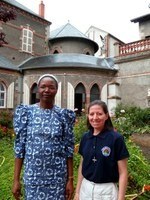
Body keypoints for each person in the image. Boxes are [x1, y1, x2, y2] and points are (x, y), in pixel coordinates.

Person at [12, 74, 75, 200]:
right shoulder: (27, 113)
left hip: (57, 178)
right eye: (43, 87)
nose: (47, 90)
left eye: (51, 87)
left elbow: (69, 150)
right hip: (32, 178)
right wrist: (16, 180)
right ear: (37, 89)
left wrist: (70, 180)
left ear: (56, 90)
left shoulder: (63, 116)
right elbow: (20, 148)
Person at [74, 100, 129, 200]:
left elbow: (123, 172)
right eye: (91, 114)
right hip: (85, 189)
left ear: (106, 116)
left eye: (99, 114)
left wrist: (121, 198)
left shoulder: (116, 139)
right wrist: (77, 192)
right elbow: (82, 165)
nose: (95, 118)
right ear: (88, 116)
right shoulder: (85, 137)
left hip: (107, 191)